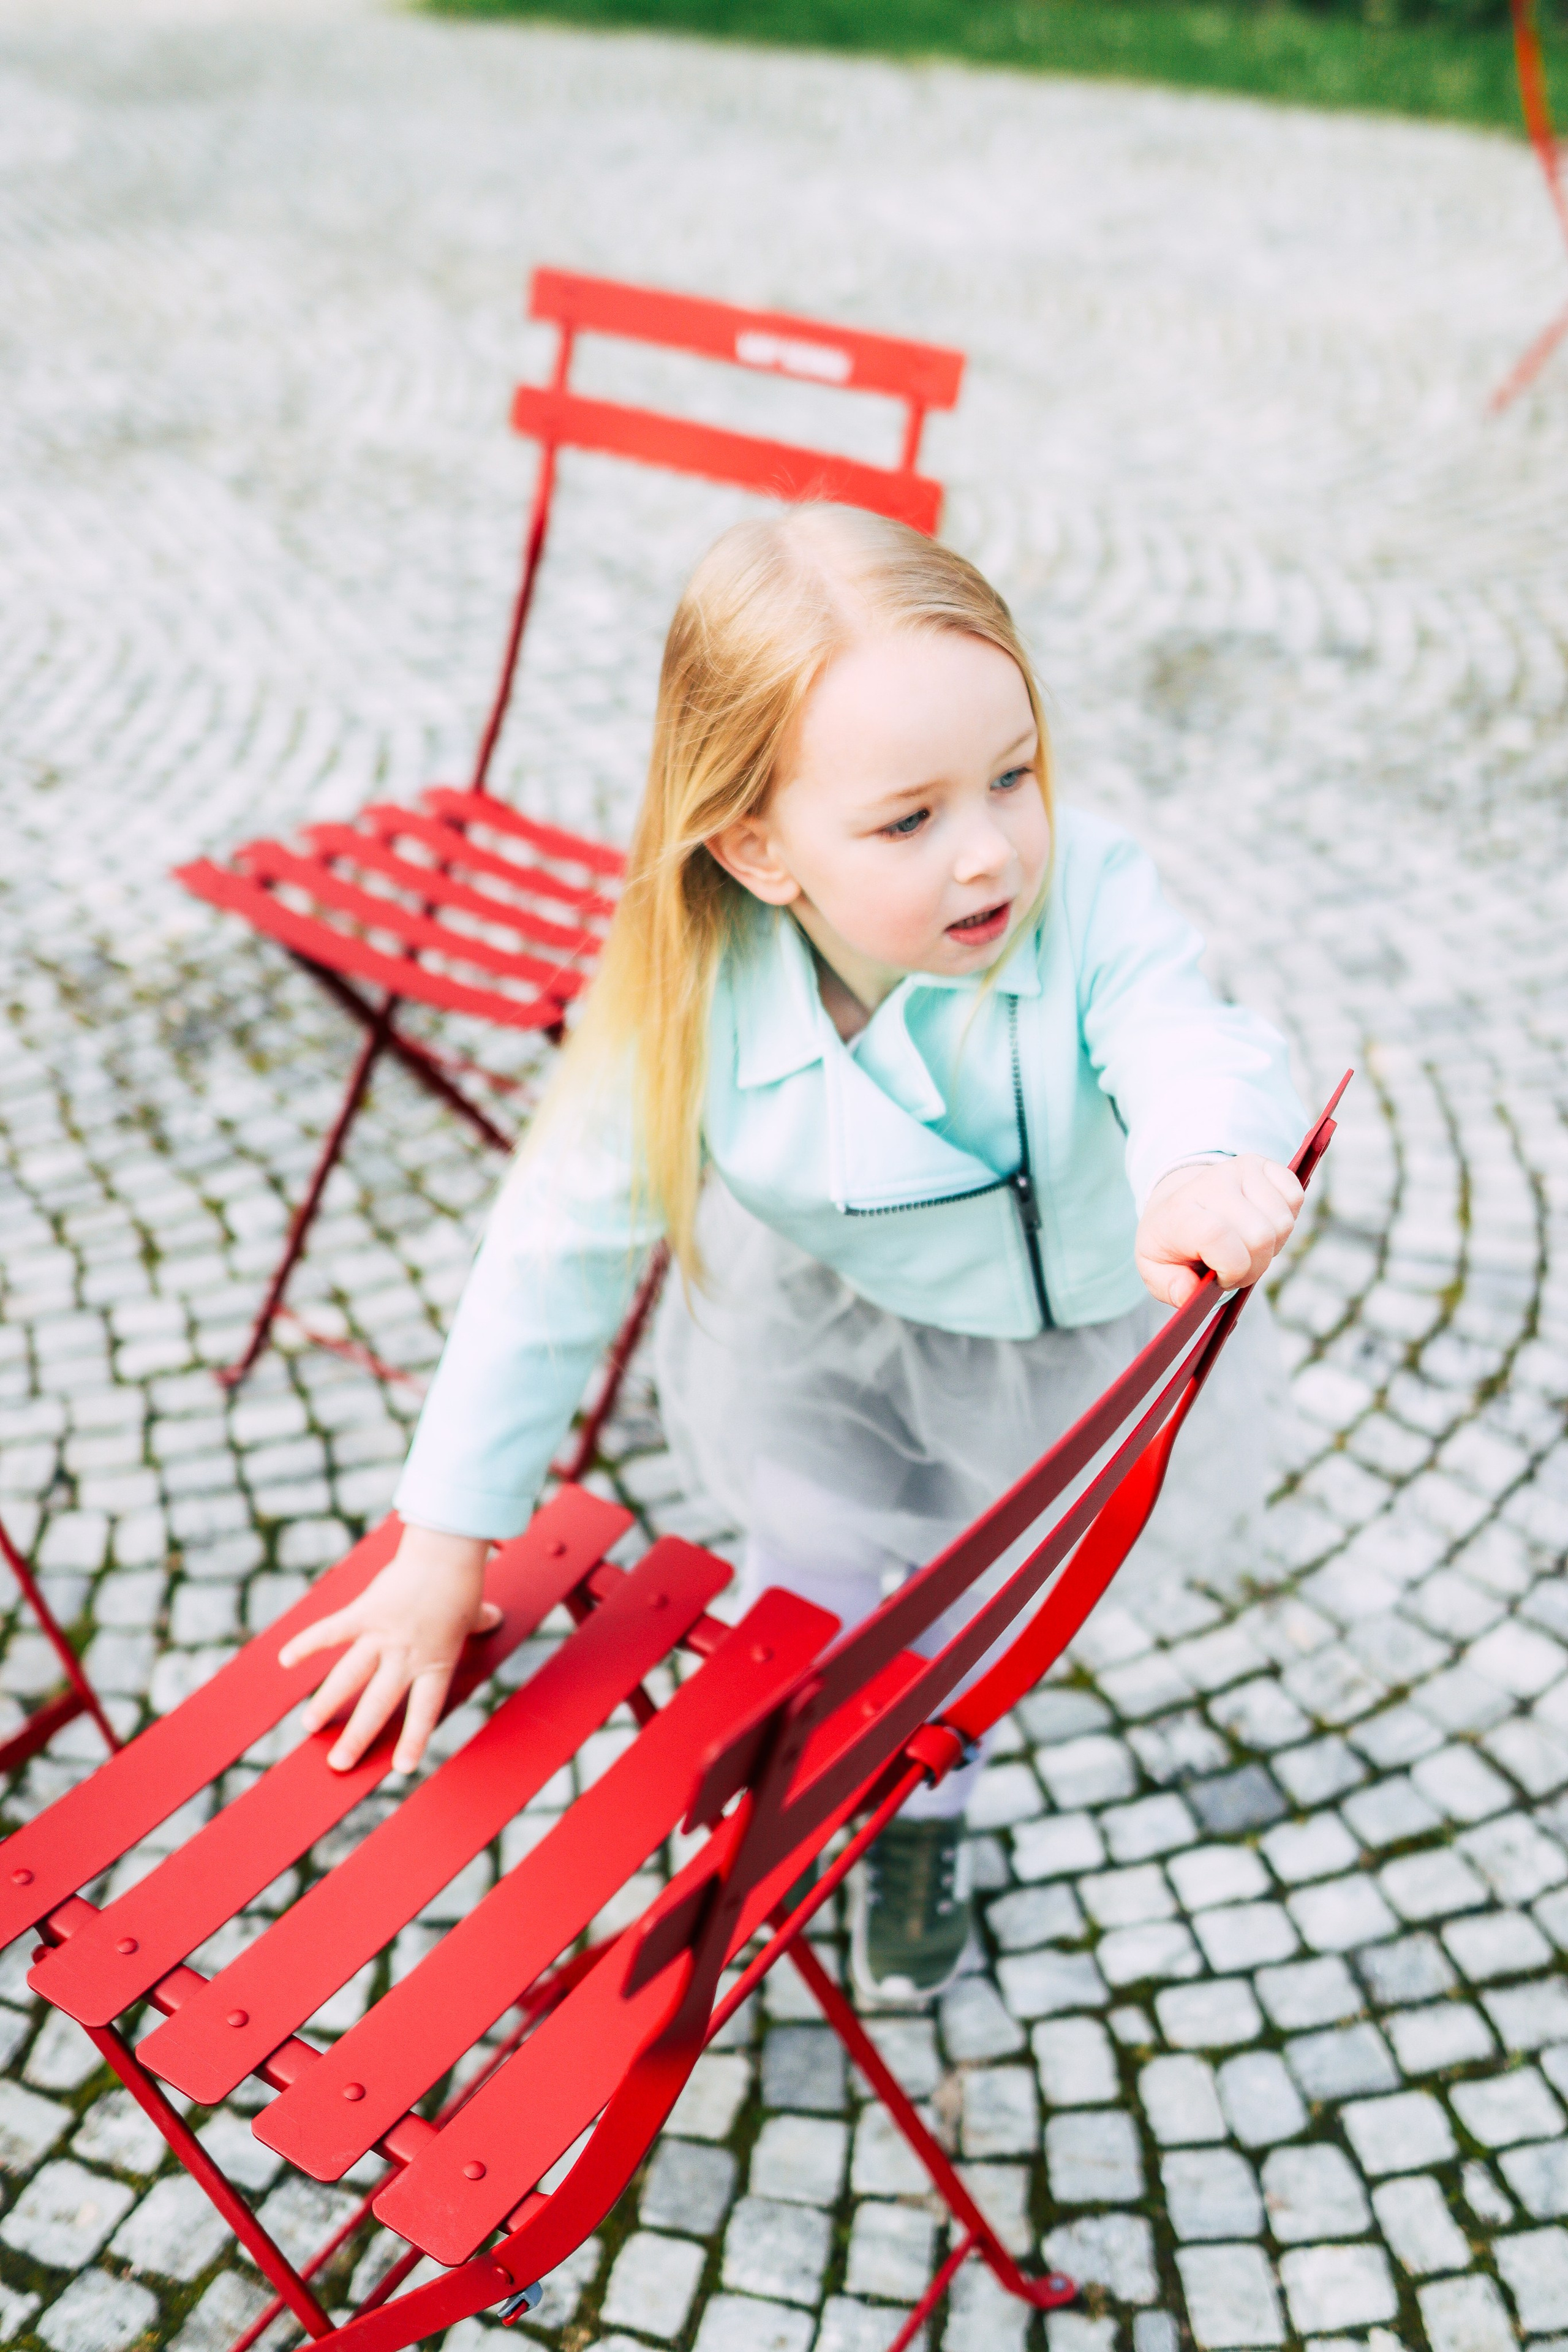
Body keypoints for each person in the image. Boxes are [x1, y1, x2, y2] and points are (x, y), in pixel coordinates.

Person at [280, 505, 1307, 2003]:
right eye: (908, 819)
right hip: (837, 1331)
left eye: (1010, 775)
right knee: (810, 1553)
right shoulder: (686, 1004)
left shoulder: (1082, 892)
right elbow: (551, 1248)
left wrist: (1199, 1163)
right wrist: (445, 1540)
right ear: (758, 847)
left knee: (958, 1621)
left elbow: (1175, 1031)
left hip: (1064, 1343)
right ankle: (776, 1748)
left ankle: (921, 1810)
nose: (986, 851)